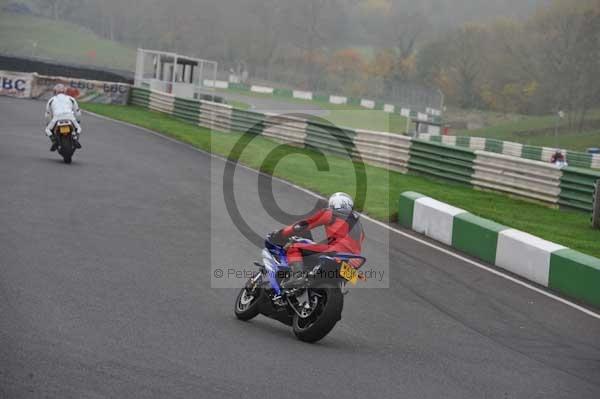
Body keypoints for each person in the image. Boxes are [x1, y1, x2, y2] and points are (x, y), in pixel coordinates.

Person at [270, 192, 365, 289]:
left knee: (294, 247)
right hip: (353, 260)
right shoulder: (358, 224)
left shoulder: (330, 214)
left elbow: (303, 225)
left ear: (332, 204)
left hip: (335, 252)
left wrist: (281, 234)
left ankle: (297, 276)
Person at [44, 84, 82, 152]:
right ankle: (75, 138)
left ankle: (54, 141)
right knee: (79, 128)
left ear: (55, 92)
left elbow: (47, 115)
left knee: (47, 130)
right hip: (70, 117)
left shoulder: (51, 100)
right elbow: (77, 112)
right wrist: (78, 122)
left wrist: (48, 123)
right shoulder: (71, 98)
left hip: (57, 118)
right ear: (65, 91)